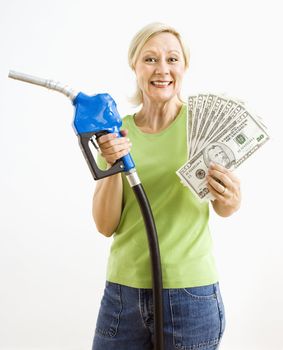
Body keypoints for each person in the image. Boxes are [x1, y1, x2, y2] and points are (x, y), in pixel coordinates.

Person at [91, 22, 241, 350]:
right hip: (122, 293)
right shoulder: (117, 133)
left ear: (184, 67)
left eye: (172, 59)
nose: (162, 69)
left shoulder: (202, 126)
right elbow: (105, 225)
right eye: (150, 59)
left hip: (190, 295)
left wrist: (230, 194)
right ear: (134, 65)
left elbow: (225, 208)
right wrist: (114, 164)